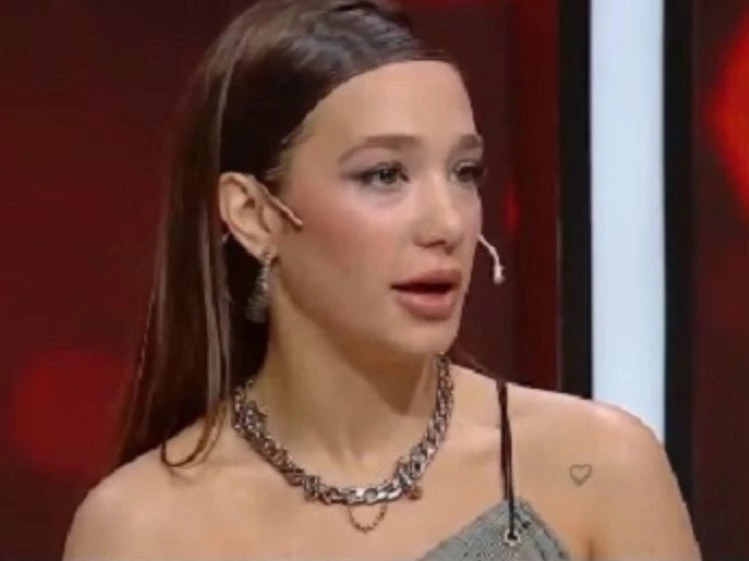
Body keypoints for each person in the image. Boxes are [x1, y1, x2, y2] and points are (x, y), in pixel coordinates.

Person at [62, 0, 701, 559]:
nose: (447, 223)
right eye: (384, 175)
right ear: (254, 216)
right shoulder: (141, 530)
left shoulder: (597, 470)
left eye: (464, 172)